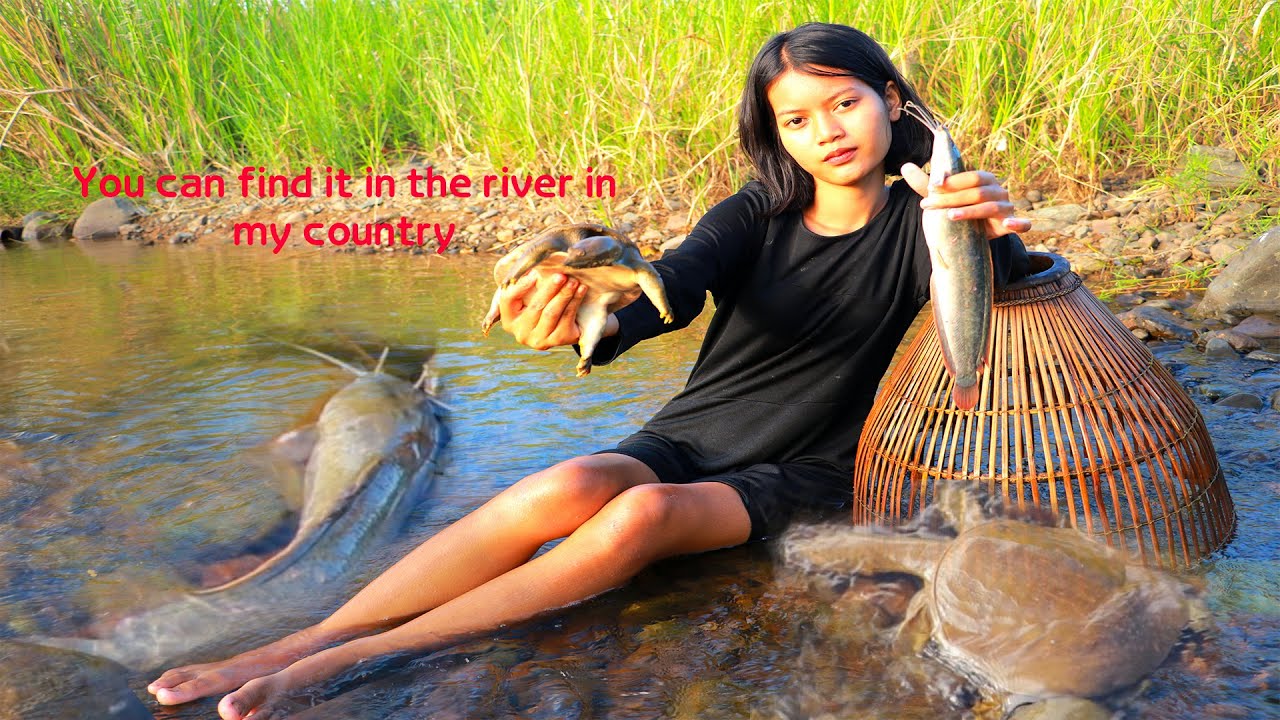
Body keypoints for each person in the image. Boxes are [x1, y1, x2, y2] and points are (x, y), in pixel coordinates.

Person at [148, 21, 1031, 719]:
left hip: (816, 467)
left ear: (887, 98)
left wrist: (993, 232)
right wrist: (583, 316)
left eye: (842, 104)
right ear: (776, 134)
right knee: (566, 483)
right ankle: (305, 638)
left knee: (637, 516)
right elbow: (671, 287)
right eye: (796, 119)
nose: (825, 132)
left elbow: (1015, 300)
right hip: (693, 435)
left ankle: (353, 658)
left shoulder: (936, 217)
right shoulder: (757, 211)